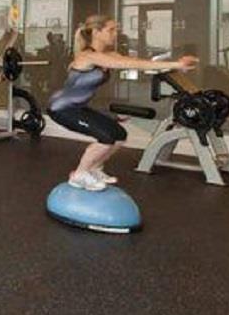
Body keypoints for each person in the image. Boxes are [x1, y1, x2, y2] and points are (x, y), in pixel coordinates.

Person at [49, 15, 197, 191]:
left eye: (116, 30)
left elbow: (136, 63)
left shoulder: (108, 55)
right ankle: (79, 175)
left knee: (119, 135)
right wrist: (177, 64)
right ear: (96, 32)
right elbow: (126, 63)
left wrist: (174, 66)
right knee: (106, 138)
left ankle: (94, 168)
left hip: (78, 107)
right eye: (111, 30)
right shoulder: (88, 56)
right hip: (61, 108)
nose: (115, 34)